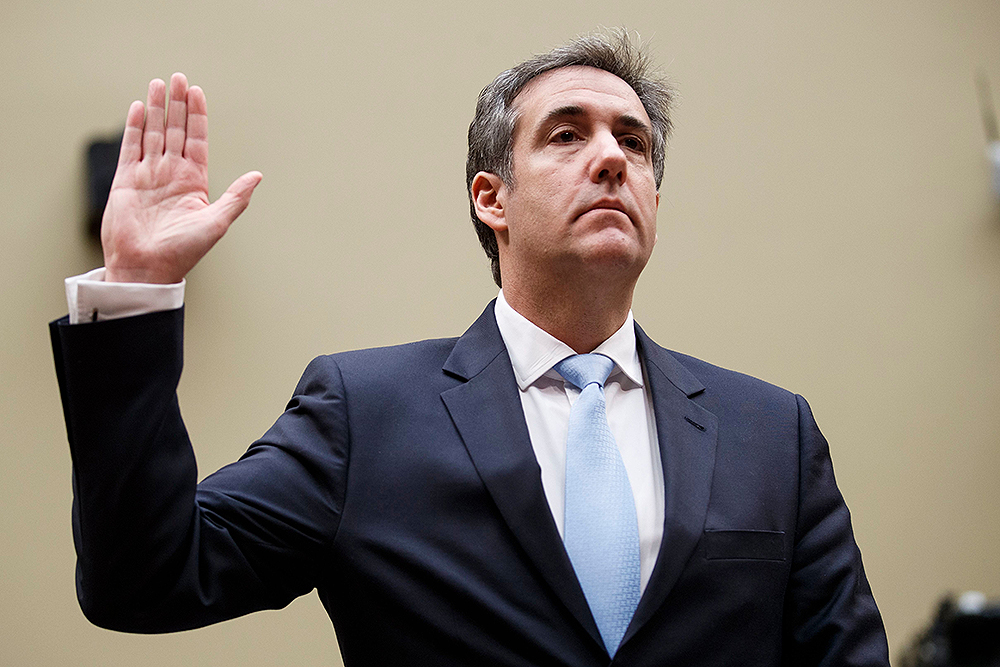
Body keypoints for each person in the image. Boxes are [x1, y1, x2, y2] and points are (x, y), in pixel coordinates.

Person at [50, 32, 890, 666]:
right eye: (568, 135)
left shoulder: (771, 430)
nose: (611, 159)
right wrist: (134, 289)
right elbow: (143, 581)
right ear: (492, 196)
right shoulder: (364, 414)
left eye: (633, 143)